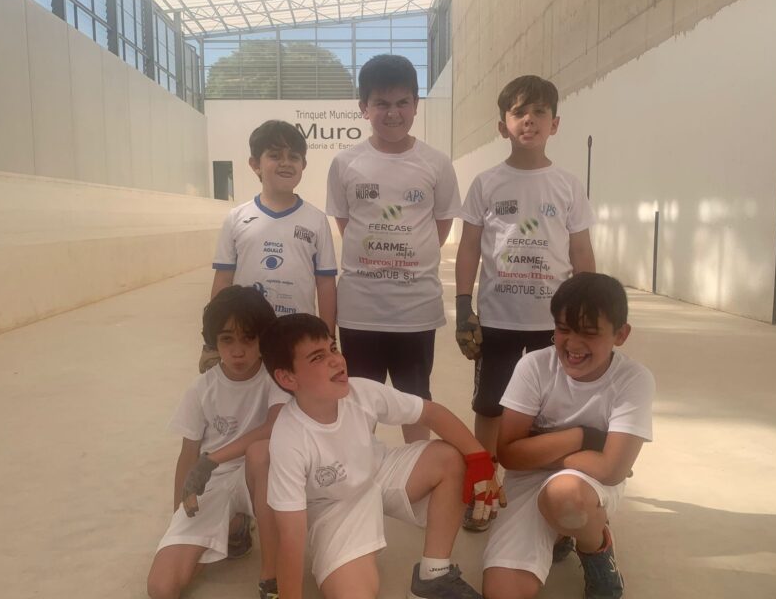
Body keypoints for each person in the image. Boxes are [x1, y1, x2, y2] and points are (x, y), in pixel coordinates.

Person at [241, 314, 502, 599]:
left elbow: (432, 414)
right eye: (317, 358)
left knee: (450, 458)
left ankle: (434, 575)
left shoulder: (360, 392)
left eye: (332, 348)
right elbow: (291, 536)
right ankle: (352, 560)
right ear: (288, 378)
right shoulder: (289, 438)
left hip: (378, 472)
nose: (336, 360)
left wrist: (480, 461)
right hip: (334, 507)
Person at [454, 74, 595, 530]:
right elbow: (470, 247)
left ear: (555, 123)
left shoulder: (568, 186)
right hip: (496, 320)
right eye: (518, 112)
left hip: (550, 325)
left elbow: (580, 252)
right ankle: (484, 486)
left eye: (539, 112)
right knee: (490, 407)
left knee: (548, 411)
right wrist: (463, 307)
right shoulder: (487, 183)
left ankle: (543, 492)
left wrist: (586, 316)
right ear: (502, 126)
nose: (529, 120)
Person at [481, 273, 655, 599]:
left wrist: (540, 446)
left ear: (621, 334)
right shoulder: (534, 366)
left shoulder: (634, 380)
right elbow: (509, 455)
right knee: (504, 596)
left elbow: (613, 469)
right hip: (538, 476)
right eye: (563, 329)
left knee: (565, 497)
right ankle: (561, 531)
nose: (572, 344)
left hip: (586, 485)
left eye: (589, 333)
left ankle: (595, 549)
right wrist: (583, 439)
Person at [326, 54, 460, 443]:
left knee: (414, 402)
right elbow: (346, 223)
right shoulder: (346, 163)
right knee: (357, 402)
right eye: (381, 103)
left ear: (416, 105)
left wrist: (408, 262)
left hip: (415, 312)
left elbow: (441, 223)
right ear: (363, 108)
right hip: (360, 311)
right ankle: (356, 482)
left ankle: (416, 478)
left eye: (402, 102)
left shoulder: (436, 163)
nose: (393, 112)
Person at [148, 286, 290, 599]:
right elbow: (188, 453)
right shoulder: (201, 388)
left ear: (263, 339)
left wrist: (213, 459)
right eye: (227, 340)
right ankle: (234, 527)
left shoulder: (274, 378)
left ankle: (271, 580)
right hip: (211, 481)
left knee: (263, 453)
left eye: (248, 338)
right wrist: (179, 514)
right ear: (213, 341)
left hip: (257, 476)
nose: (238, 351)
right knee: (163, 589)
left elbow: (274, 425)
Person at [199, 120, 337, 373]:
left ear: (303, 165)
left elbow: (326, 284)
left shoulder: (317, 220)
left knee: (291, 402)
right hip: (248, 333)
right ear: (255, 164)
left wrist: (328, 339)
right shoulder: (236, 218)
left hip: (296, 336)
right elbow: (223, 279)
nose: (285, 163)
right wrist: (212, 341)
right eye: (274, 155)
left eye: (293, 157)